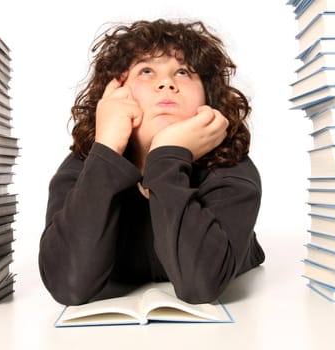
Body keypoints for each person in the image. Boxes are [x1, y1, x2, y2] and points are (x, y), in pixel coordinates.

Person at [38, 18, 265, 306]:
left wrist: (167, 155)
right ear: (115, 92)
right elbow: (68, 285)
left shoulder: (231, 168)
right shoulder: (85, 165)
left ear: (209, 100)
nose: (166, 82)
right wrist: (106, 148)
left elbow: (201, 285)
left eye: (183, 72)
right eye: (146, 71)